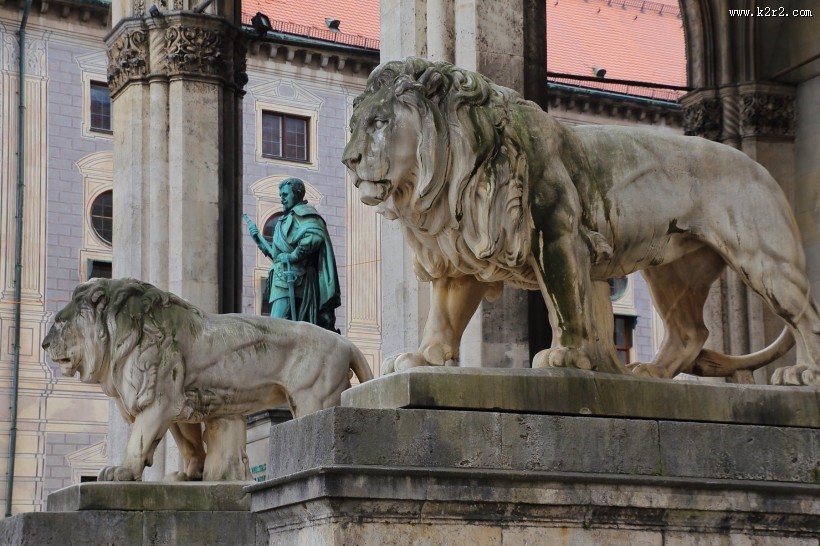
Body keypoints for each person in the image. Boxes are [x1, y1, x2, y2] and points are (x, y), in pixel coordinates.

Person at [246, 178, 341, 332]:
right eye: (280, 195)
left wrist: (293, 256)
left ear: (297, 194)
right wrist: (259, 240)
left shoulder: (306, 214)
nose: (281, 198)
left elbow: (314, 237)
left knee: (277, 327)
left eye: (285, 195)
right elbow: (278, 257)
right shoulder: (284, 219)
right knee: (280, 326)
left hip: (294, 279)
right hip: (281, 279)